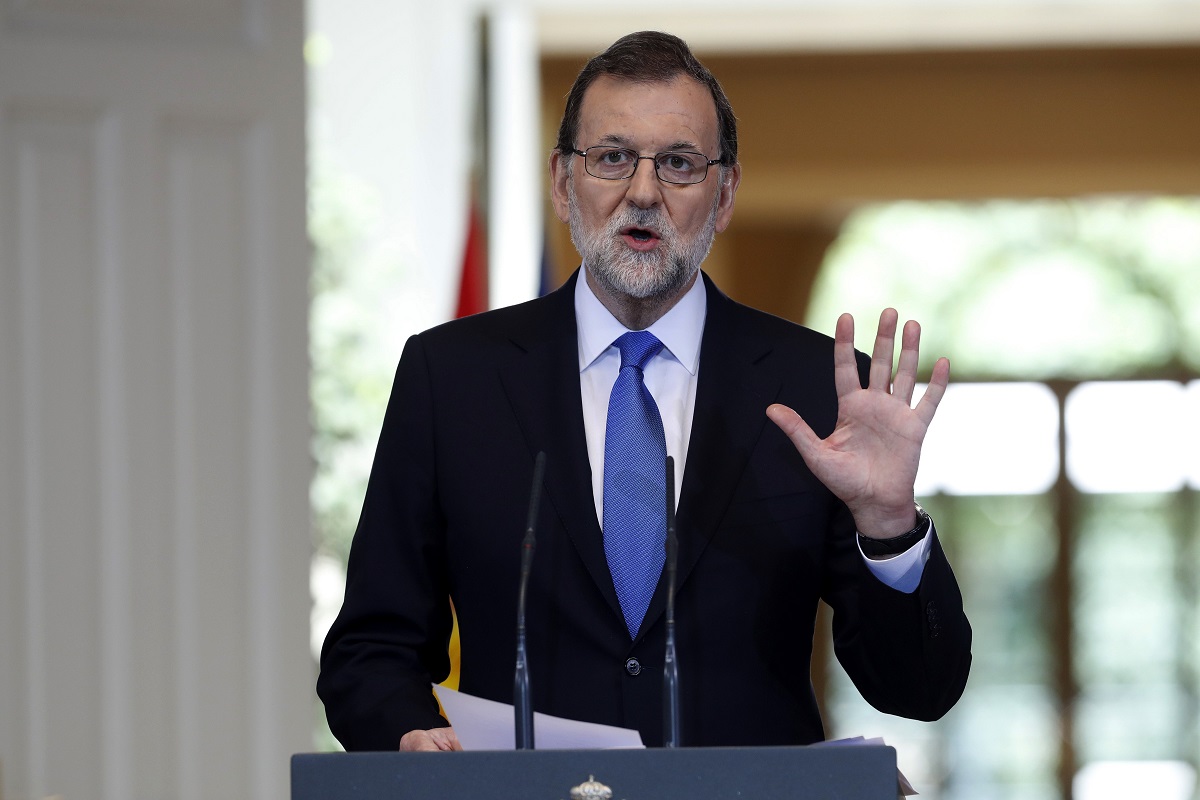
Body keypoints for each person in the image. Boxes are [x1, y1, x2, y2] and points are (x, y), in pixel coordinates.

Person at [317, 30, 971, 753]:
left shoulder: (814, 389)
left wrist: (888, 525)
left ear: (723, 197)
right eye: (613, 157)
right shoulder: (454, 378)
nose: (643, 191)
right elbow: (369, 650)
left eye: (680, 164)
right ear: (564, 183)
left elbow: (919, 689)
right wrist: (408, 734)